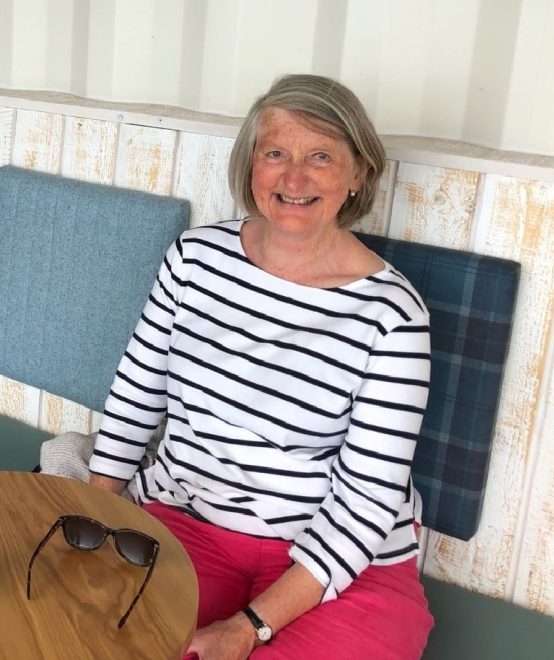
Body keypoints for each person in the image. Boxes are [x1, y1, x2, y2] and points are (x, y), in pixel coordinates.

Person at [89, 74, 433, 659]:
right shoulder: (194, 259)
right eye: (275, 153)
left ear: (359, 174)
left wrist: (247, 628)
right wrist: (94, 513)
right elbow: (136, 396)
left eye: (320, 156)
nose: (294, 178)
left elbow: (365, 503)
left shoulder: (393, 314)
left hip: (337, 565)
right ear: (251, 165)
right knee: (82, 634)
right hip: (189, 524)